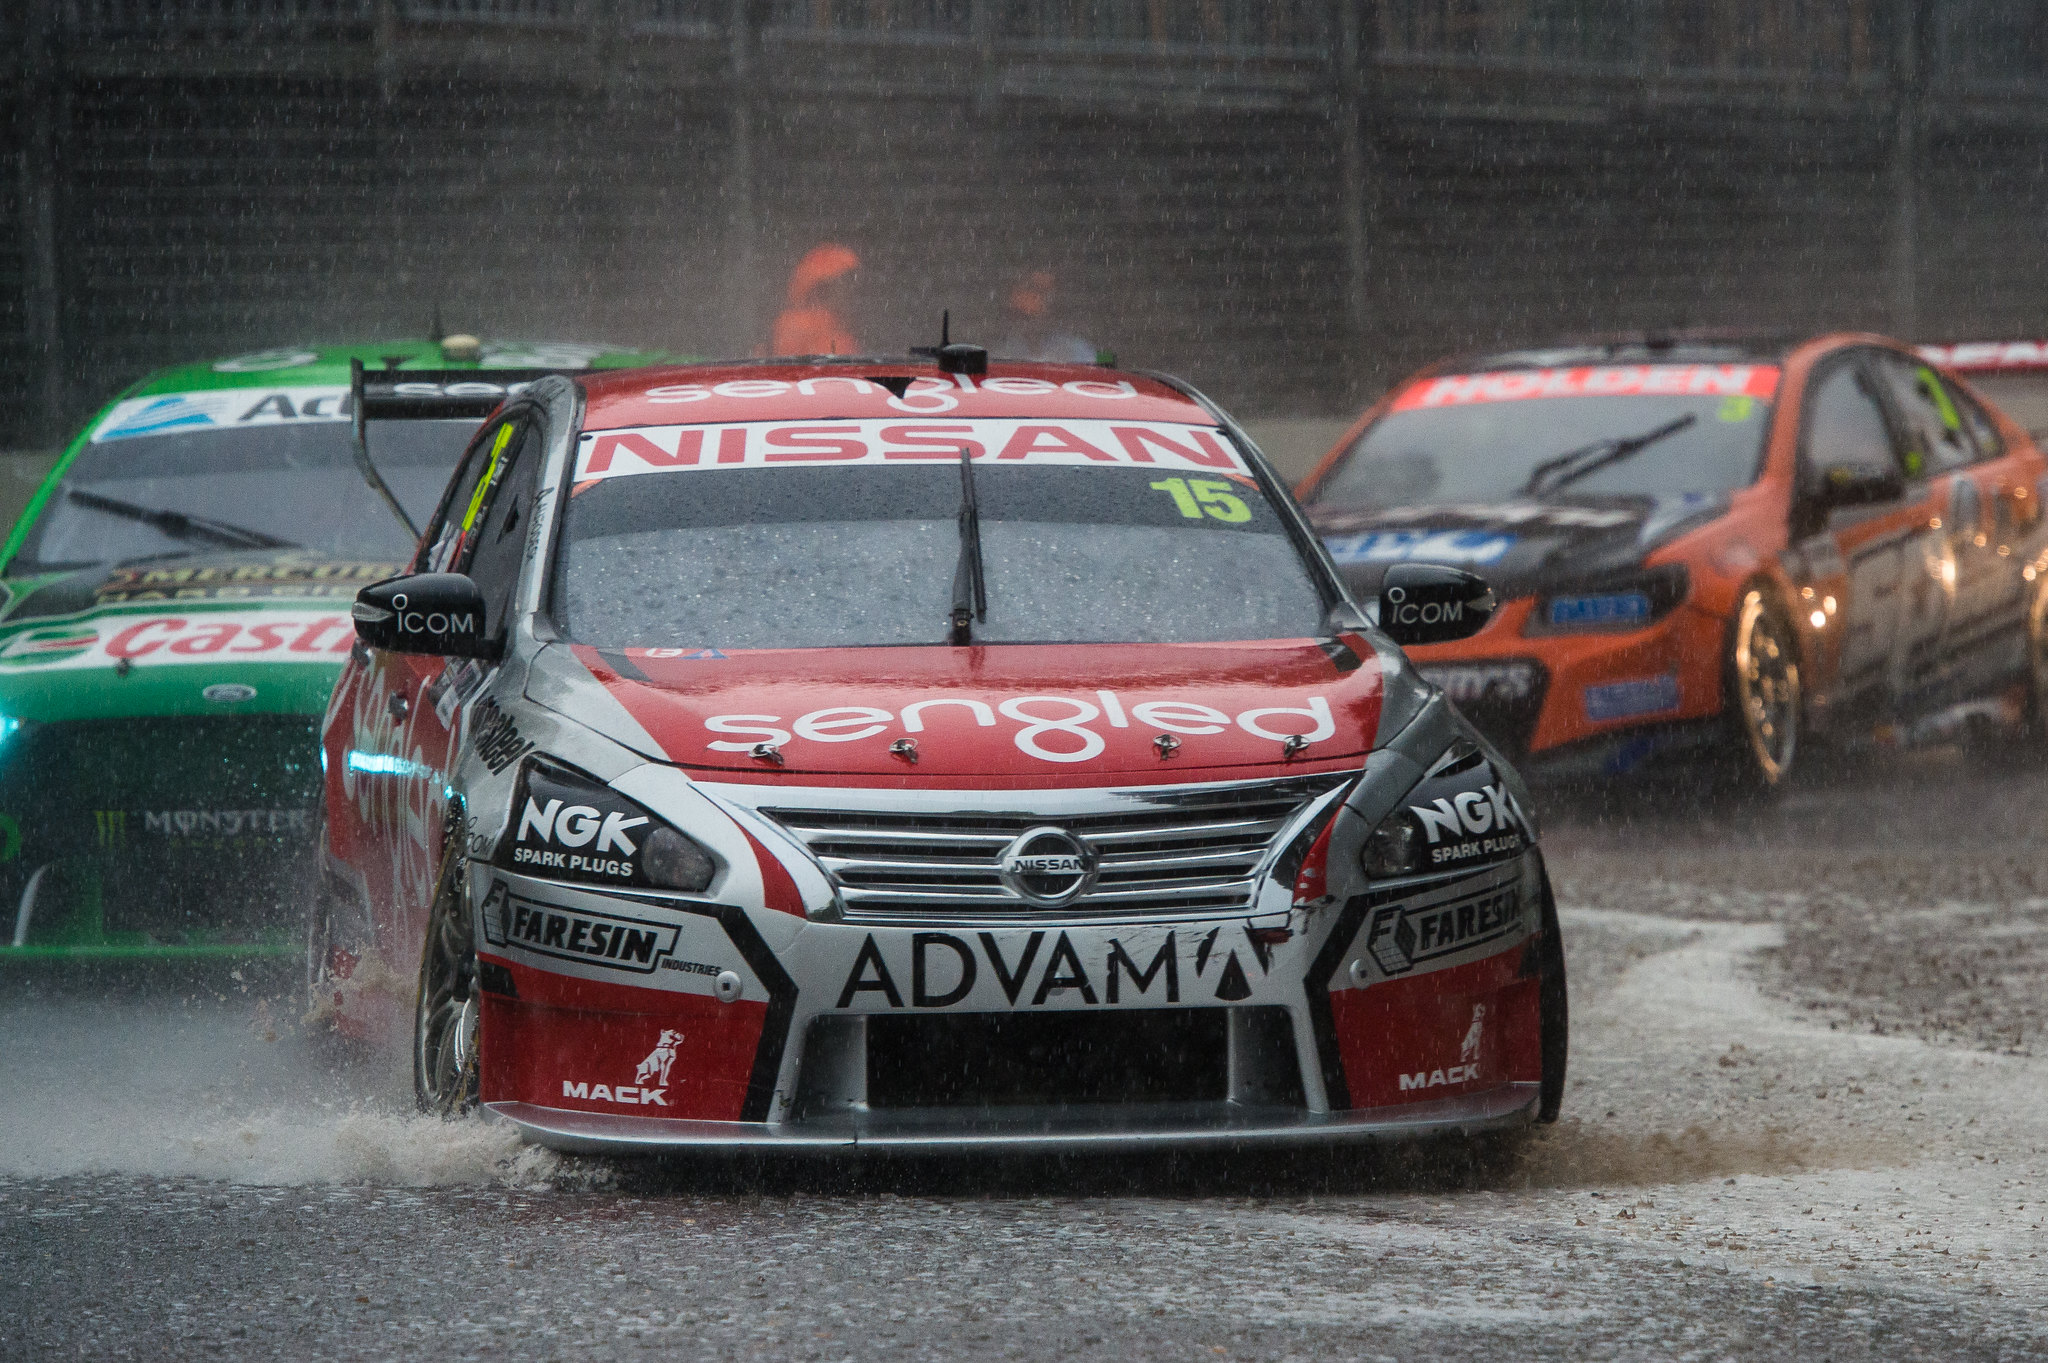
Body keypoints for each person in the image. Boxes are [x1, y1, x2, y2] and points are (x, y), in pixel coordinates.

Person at [771, 243, 861, 356]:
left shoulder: (841, 322)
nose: (849, 291)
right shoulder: (799, 325)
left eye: (849, 283)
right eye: (841, 284)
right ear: (820, 290)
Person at [994, 268, 1100, 363]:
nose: (1039, 298)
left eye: (1045, 292)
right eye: (1033, 289)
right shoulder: (1000, 354)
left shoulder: (1078, 351)